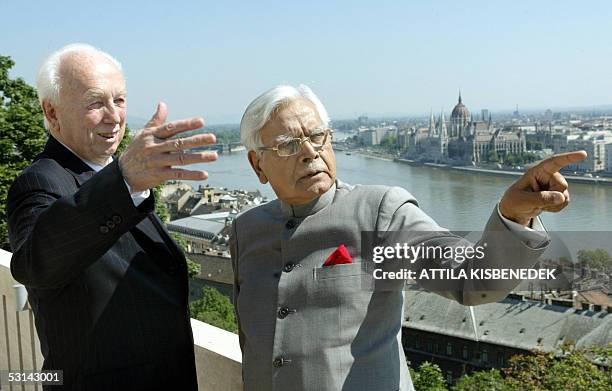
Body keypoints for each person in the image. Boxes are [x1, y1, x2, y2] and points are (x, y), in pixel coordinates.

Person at [230, 84, 587, 390]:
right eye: (289, 145)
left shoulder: (379, 211)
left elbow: (471, 279)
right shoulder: (245, 231)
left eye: (317, 136)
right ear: (257, 165)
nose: (310, 153)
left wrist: (514, 216)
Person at [7, 43, 218, 390]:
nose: (114, 116)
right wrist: (124, 179)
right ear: (52, 111)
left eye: (119, 100)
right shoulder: (39, 181)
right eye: (95, 102)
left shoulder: (113, 177)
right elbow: (34, 264)